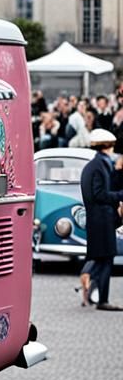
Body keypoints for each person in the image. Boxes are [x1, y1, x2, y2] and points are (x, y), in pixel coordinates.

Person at [78, 128, 123, 312]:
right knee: (106, 258)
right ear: (108, 146)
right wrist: (121, 195)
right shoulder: (100, 166)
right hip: (102, 219)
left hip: (99, 219)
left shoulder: (97, 164)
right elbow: (100, 194)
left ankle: (88, 279)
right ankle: (101, 298)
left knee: (103, 258)